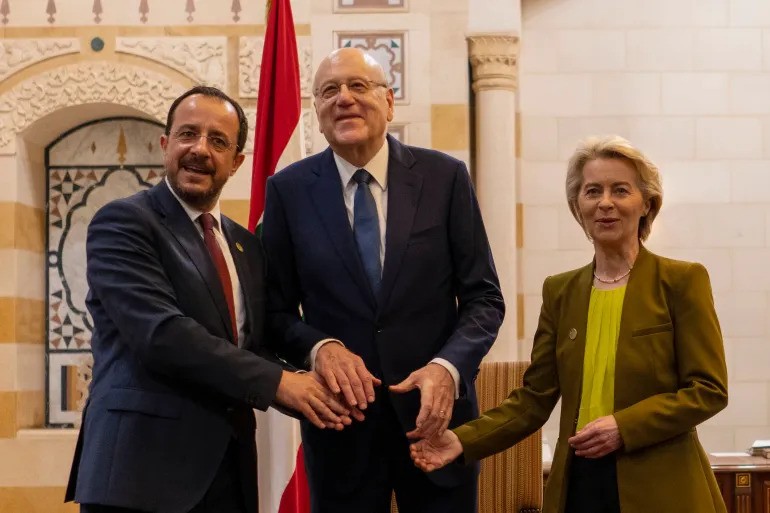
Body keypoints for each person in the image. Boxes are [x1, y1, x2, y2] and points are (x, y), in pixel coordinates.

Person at [65, 85, 352, 513]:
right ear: (165, 145)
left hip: (226, 473)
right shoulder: (124, 222)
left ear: (236, 162)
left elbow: (253, 342)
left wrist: (322, 361)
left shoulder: (245, 247)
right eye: (188, 134)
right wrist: (282, 383)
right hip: (139, 475)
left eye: (218, 141)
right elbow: (163, 335)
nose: (200, 149)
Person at [410, 135, 729, 513]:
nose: (605, 203)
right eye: (592, 191)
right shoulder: (561, 291)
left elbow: (708, 389)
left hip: (663, 487)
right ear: (578, 206)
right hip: (579, 485)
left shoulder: (681, 281)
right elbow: (532, 400)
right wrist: (461, 441)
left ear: (646, 203)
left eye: (620, 190)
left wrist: (624, 426)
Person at [261, 48, 505, 513]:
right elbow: (272, 312)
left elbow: (484, 299)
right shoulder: (288, 190)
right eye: (329, 90)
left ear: (389, 102)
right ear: (316, 110)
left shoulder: (445, 177)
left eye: (358, 86)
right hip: (341, 427)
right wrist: (320, 347)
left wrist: (446, 368)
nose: (344, 99)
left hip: (435, 423)